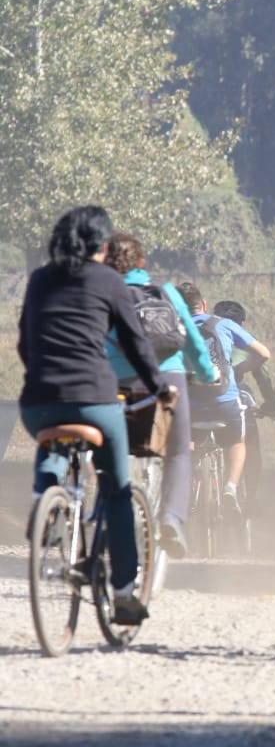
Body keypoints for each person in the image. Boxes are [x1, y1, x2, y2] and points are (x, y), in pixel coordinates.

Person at [18, 206, 174, 624]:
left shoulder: (38, 279)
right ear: (103, 247)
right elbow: (137, 345)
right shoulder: (108, 280)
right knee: (117, 489)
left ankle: (44, 498)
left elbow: (24, 345)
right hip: (94, 400)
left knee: (50, 439)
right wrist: (159, 387)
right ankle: (123, 593)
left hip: (38, 402)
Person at [103, 234, 217, 559]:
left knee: (110, 454)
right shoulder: (165, 291)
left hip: (117, 381)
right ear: (142, 262)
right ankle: (171, 518)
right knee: (179, 452)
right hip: (168, 377)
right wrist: (209, 374)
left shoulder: (103, 292)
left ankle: (104, 522)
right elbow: (192, 340)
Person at [178, 282, 271, 515]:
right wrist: (239, 370)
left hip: (192, 404)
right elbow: (264, 354)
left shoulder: (174, 329)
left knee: (187, 443)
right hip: (225, 400)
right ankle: (230, 488)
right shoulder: (224, 324)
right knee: (236, 443)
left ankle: (187, 488)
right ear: (205, 305)